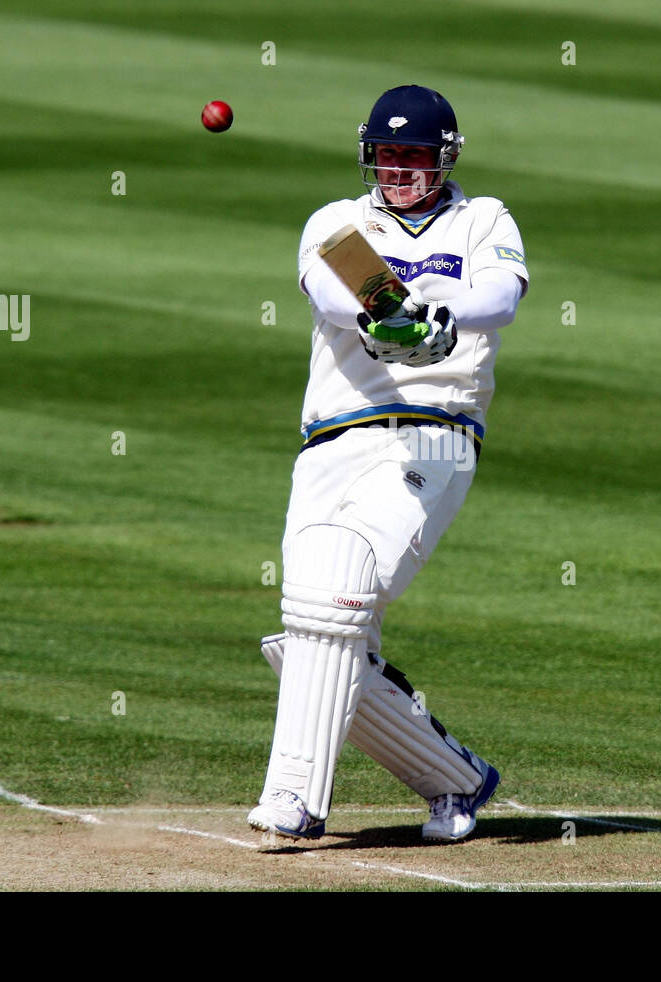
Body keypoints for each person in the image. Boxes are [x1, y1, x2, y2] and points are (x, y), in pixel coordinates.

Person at [247, 84, 528, 848]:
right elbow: (334, 294)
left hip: (434, 435)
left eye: (414, 156)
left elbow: (500, 294)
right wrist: (384, 312)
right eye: (387, 155)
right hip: (332, 441)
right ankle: (456, 781)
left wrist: (448, 313)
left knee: (333, 588)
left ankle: (294, 800)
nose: (399, 170)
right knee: (318, 624)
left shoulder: (482, 219)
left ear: (444, 159)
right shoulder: (340, 222)